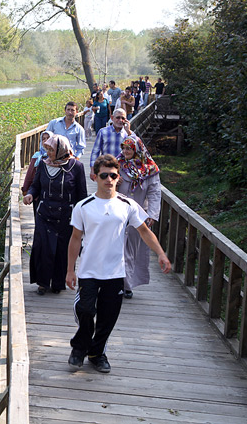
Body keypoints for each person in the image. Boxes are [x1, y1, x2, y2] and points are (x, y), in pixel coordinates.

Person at [65, 154, 171, 373]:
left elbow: (144, 231)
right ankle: (79, 348)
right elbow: (75, 238)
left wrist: (161, 253)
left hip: (115, 272)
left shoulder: (127, 205)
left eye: (113, 175)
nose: (109, 180)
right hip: (89, 271)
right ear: (95, 176)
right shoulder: (84, 206)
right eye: (104, 175)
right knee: (85, 310)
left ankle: (97, 353)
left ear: (118, 177)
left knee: (108, 316)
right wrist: (70, 270)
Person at [23, 134, 87, 295]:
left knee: (62, 250)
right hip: (44, 213)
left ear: (61, 149)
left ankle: (58, 283)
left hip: (67, 215)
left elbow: (82, 194)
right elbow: (35, 186)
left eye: (51, 149)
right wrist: (30, 194)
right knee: (43, 248)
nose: (48, 152)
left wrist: (83, 217)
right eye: (47, 148)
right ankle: (43, 283)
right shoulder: (43, 164)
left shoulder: (76, 167)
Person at [117, 136, 161, 298]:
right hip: (117, 213)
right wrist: (114, 181)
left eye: (129, 148)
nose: (126, 151)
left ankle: (127, 285)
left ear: (137, 150)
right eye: (124, 148)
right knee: (118, 250)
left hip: (138, 215)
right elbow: (102, 180)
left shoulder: (150, 169)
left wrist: (152, 214)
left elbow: (155, 192)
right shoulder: (117, 164)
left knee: (131, 251)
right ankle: (119, 284)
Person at [89, 108, 133, 180]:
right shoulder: (103, 132)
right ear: (112, 118)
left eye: (123, 118)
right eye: (117, 117)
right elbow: (95, 151)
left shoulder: (128, 134)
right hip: (106, 168)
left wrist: (129, 132)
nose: (120, 120)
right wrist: (93, 169)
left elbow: (136, 149)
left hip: (124, 171)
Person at [22, 130, 51, 213]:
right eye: (43, 139)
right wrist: (26, 188)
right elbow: (30, 173)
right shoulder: (37, 156)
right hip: (38, 192)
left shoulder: (57, 157)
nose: (46, 141)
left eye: (48, 138)